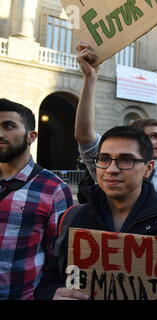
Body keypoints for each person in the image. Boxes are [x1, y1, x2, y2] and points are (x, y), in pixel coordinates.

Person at [34, 126, 157, 300]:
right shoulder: (73, 217)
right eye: (104, 159)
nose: (111, 169)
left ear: (148, 168)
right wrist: (53, 294)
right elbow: (50, 280)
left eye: (126, 160)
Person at [74, 42, 157, 204]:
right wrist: (90, 79)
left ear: (148, 168)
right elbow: (84, 136)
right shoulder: (111, 168)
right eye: (153, 136)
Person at [0, 99, 73, 299]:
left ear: (31, 136)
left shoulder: (54, 190)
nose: (0, 134)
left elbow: (58, 259)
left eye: (8, 126)